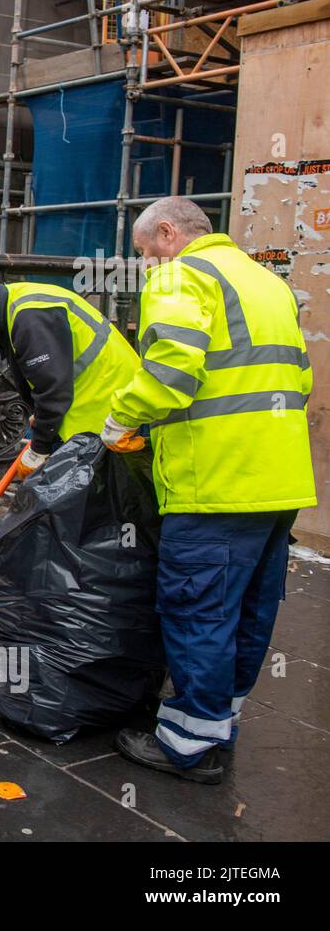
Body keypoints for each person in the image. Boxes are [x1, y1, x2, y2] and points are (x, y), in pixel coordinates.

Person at [101, 196, 316, 783]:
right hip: (278, 479)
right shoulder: (266, 283)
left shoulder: (183, 275)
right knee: (250, 605)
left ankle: (189, 745)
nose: (146, 265)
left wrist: (120, 418)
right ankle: (221, 719)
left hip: (215, 481)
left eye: (146, 253)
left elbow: (170, 371)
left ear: (168, 234)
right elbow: (301, 378)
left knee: (197, 607)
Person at [0, 269, 139, 476]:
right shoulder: (17, 304)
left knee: (92, 501)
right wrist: (40, 417)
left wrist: (39, 448)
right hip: (101, 397)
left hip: (109, 403)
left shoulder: (29, 317)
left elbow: (52, 390)